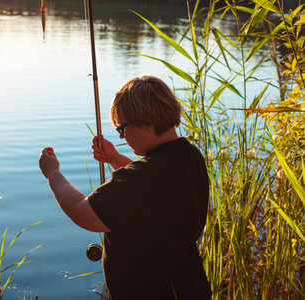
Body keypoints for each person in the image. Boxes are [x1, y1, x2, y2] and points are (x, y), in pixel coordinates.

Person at [39, 75, 211, 299]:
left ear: (146, 123)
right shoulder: (189, 156)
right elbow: (154, 187)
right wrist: (115, 159)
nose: (122, 137)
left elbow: (81, 212)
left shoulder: (142, 178)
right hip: (190, 286)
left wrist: (52, 172)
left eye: (122, 129)